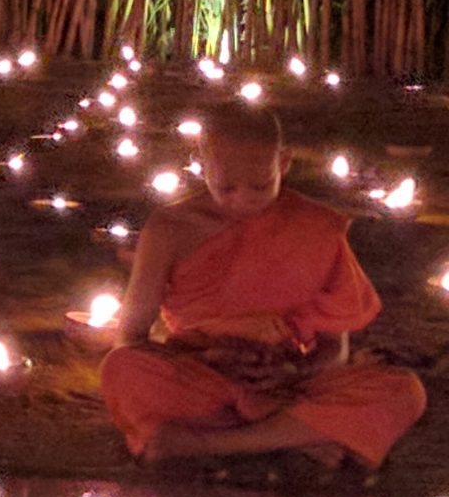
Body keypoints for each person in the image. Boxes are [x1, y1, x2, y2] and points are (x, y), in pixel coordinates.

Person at [101, 102, 425, 468]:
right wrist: (204, 359)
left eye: (260, 185)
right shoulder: (169, 230)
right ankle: (292, 434)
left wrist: (294, 371)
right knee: (122, 370)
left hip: (284, 381)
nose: (244, 199)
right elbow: (130, 339)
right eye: (227, 187)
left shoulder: (315, 226)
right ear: (201, 162)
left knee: (405, 391)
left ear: (283, 163)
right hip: (203, 378)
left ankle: (212, 443)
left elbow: (335, 349)